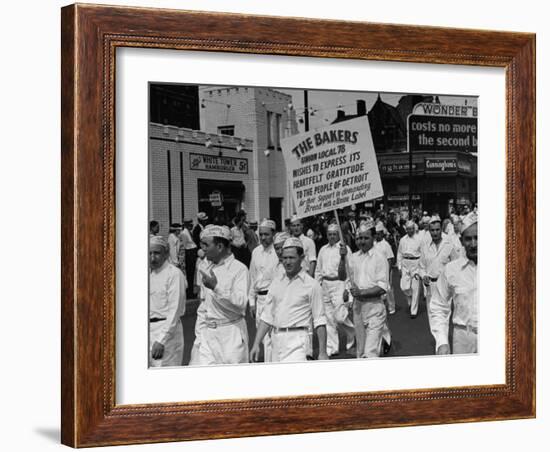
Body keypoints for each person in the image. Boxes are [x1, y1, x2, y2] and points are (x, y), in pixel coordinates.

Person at [250, 237, 329, 363]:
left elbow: (320, 320)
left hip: (299, 342)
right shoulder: (276, 283)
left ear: (302, 258)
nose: (287, 262)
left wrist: (323, 352)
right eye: (284, 258)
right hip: (276, 340)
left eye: (292, 258)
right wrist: (256, 344)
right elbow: (267, 317)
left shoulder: (312, 285)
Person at [197, 225, 250, 365]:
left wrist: (216, 287)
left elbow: (241, 303)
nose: (203, 248)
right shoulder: (205, 268)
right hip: (208, 337)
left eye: (206, 245)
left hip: (231, 336)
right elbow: (203, 307)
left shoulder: (239, 269)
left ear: (220, 246)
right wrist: (199, 337)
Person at [430, 212, 478, 355]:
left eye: (477, 238)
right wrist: (442, 341)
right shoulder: (451, 270)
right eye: (468, 239)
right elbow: (439, 306)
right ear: (461, 241)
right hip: (462, 338)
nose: (473, 244)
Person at [341, 222, 389, 358]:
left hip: (375, 308)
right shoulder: (354, 257)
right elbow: (343, 276)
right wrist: (341, 257)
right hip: (358, 309)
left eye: (365, 238)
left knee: (370, 352)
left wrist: (361, 293)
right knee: (360, 351)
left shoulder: (379, 257)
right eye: (359, 238)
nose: (362, 241)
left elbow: (382, 287)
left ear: (373, 238)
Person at [314, 223, 355, 356]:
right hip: (325, 285)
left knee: (340, 317)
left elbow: (350, 271)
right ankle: (332, 347)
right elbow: (318, 270)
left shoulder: (344, 249)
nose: (332, 237)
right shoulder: (323, 250)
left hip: (339, 283)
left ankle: (352, 332)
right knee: (328, 318)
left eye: (334, 234)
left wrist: (347, 289)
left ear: (339, 235)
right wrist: (317, 285)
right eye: (330, 234)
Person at [149, 236, 186, 367]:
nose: (152, 258)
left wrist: (161, 340)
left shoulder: (174, 274)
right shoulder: (149, 274)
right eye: (149, 253)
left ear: (166, 254)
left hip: (166, 333)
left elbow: (175, 310)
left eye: (157, 253)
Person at [418, 215, 459, 332]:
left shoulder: (449, 245)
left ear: (441, 229)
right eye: (432, 230)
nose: (435, 233)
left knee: (443, 318)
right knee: (433, 318)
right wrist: (423, 276)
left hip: (445, 286)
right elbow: (421, 267)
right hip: (430, 287)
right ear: (429, 231)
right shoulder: (425, 246)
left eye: (437, 230)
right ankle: (440, 343)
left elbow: (456, 265)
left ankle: (441, 345)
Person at [248, 219, 279, 362]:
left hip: (273, 299)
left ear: (273, 234)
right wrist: (252, 302)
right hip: (259, 300)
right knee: (262, 337)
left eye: (266, 234)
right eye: (261, 234)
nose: (263, 238)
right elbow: (252, 277)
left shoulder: (278, 252)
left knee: (270, 338)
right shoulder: (255, 252)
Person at [397, 220, 423, 318]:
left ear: (414, 228)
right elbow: (399, 253)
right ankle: (410, 301)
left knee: (415, 287)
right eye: (408, 229)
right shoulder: (402, 240)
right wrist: (399, 266)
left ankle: (414, 311)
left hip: (415, 263)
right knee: (404, 286)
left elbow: (423, 254)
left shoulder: (419, 239)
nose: (409, 231)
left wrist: (422, 267)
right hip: (405, 263)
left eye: (411, 229)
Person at [374, 221, 396, 315]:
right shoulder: (374, 244)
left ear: (382, 234)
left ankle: (391, 306)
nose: (377, 236)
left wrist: (388, 271)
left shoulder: (386, 245)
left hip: (386, 269)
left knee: (388, 289)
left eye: (379, 234)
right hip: (376, 270)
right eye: (376, 234)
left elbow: (390, 258)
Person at [180, 219, 198, 298]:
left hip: (192, 252)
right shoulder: (184, 233)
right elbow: (185, 245)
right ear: (187, 225)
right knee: (190, 274)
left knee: (192, 273)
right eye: (191, 225)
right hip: (189, 253)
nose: (192, 226)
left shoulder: (189, 232)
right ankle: (189, 292)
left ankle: (191, 291)